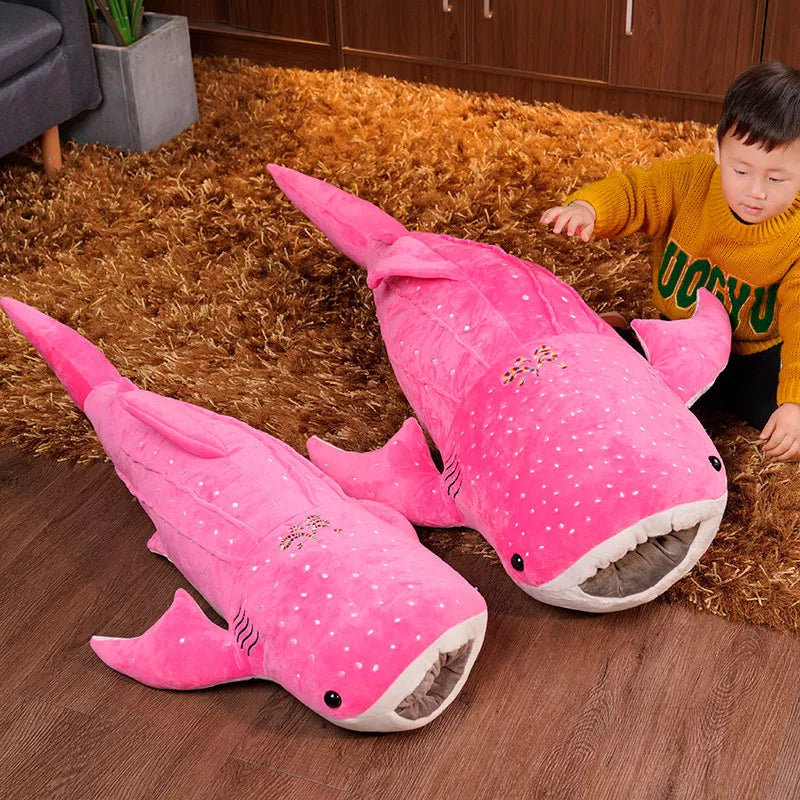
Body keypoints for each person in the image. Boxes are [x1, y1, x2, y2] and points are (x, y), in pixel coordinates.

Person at [540, 61, 800, 462]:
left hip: (754, 354)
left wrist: (793, 403)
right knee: (609, 384)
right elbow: (638, 192)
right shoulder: (691, 181)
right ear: (717, 150)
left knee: (788, 428)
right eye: (742, 170)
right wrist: (589, 208)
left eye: (776, 179)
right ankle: (624, 334)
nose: (756, 192)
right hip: (679, 336)